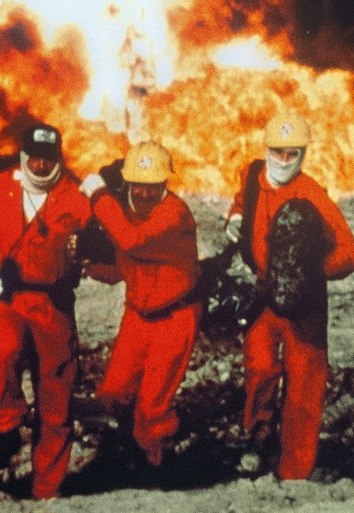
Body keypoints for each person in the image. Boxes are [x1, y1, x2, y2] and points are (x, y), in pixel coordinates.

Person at [225, 112, 354, 480]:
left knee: (304, 385)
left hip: (305, 306)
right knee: (259, 368)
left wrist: (310, 274)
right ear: (267, 150)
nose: (284, 161)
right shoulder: (252, 178)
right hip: (264, 296)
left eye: (292, 154)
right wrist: (234, 218)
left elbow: (349, 252)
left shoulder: (312, 194)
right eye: (278, 152)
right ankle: (259, 436)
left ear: (303, 155)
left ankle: (295, 473)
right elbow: (242, 203)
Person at [0, 123, 91, 499]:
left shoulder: (76, 200)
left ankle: (47, 489)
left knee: (56, 394)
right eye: (35, 158)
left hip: (51, 304)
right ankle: (6, 426)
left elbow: (99, 245)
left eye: (48, 159)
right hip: (4, 298)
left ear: (59, 161)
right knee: (3, 350)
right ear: (24, 157)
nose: (41, 166)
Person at [79, 141, 201, 468]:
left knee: (153, 406)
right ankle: (125, 448)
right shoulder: (129, 213)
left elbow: (132, 241)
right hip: (138, 315)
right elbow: (129, 266)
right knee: (113, 392)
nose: (145, 193)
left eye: (153, 186)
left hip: (174, 318)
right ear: (128, 184)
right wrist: (91, 268)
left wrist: (98, 195)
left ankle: (157, 465)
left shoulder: (174, 214)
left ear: (165, 184)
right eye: (138, 185)